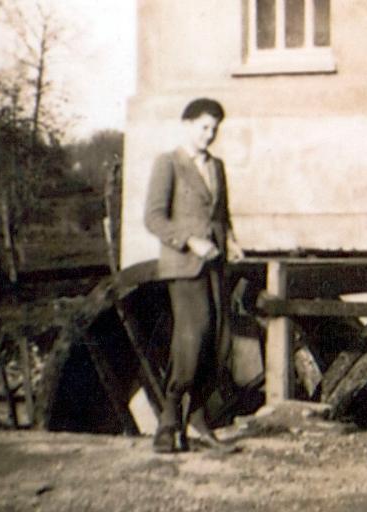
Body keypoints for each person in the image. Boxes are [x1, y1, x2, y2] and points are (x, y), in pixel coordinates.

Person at [144, 98, 244, 453]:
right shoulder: (168, 163)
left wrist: (230, 241)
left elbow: (223, 214)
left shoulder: (216, 166)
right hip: (184, 266)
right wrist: (189, 241)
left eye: (214, 128)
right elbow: (153, 218)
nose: (209, 134)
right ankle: (169, 421)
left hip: (216, 263)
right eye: (203, 127)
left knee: (220, 342)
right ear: (186, 125)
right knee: (193, 339)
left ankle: (199, 419)